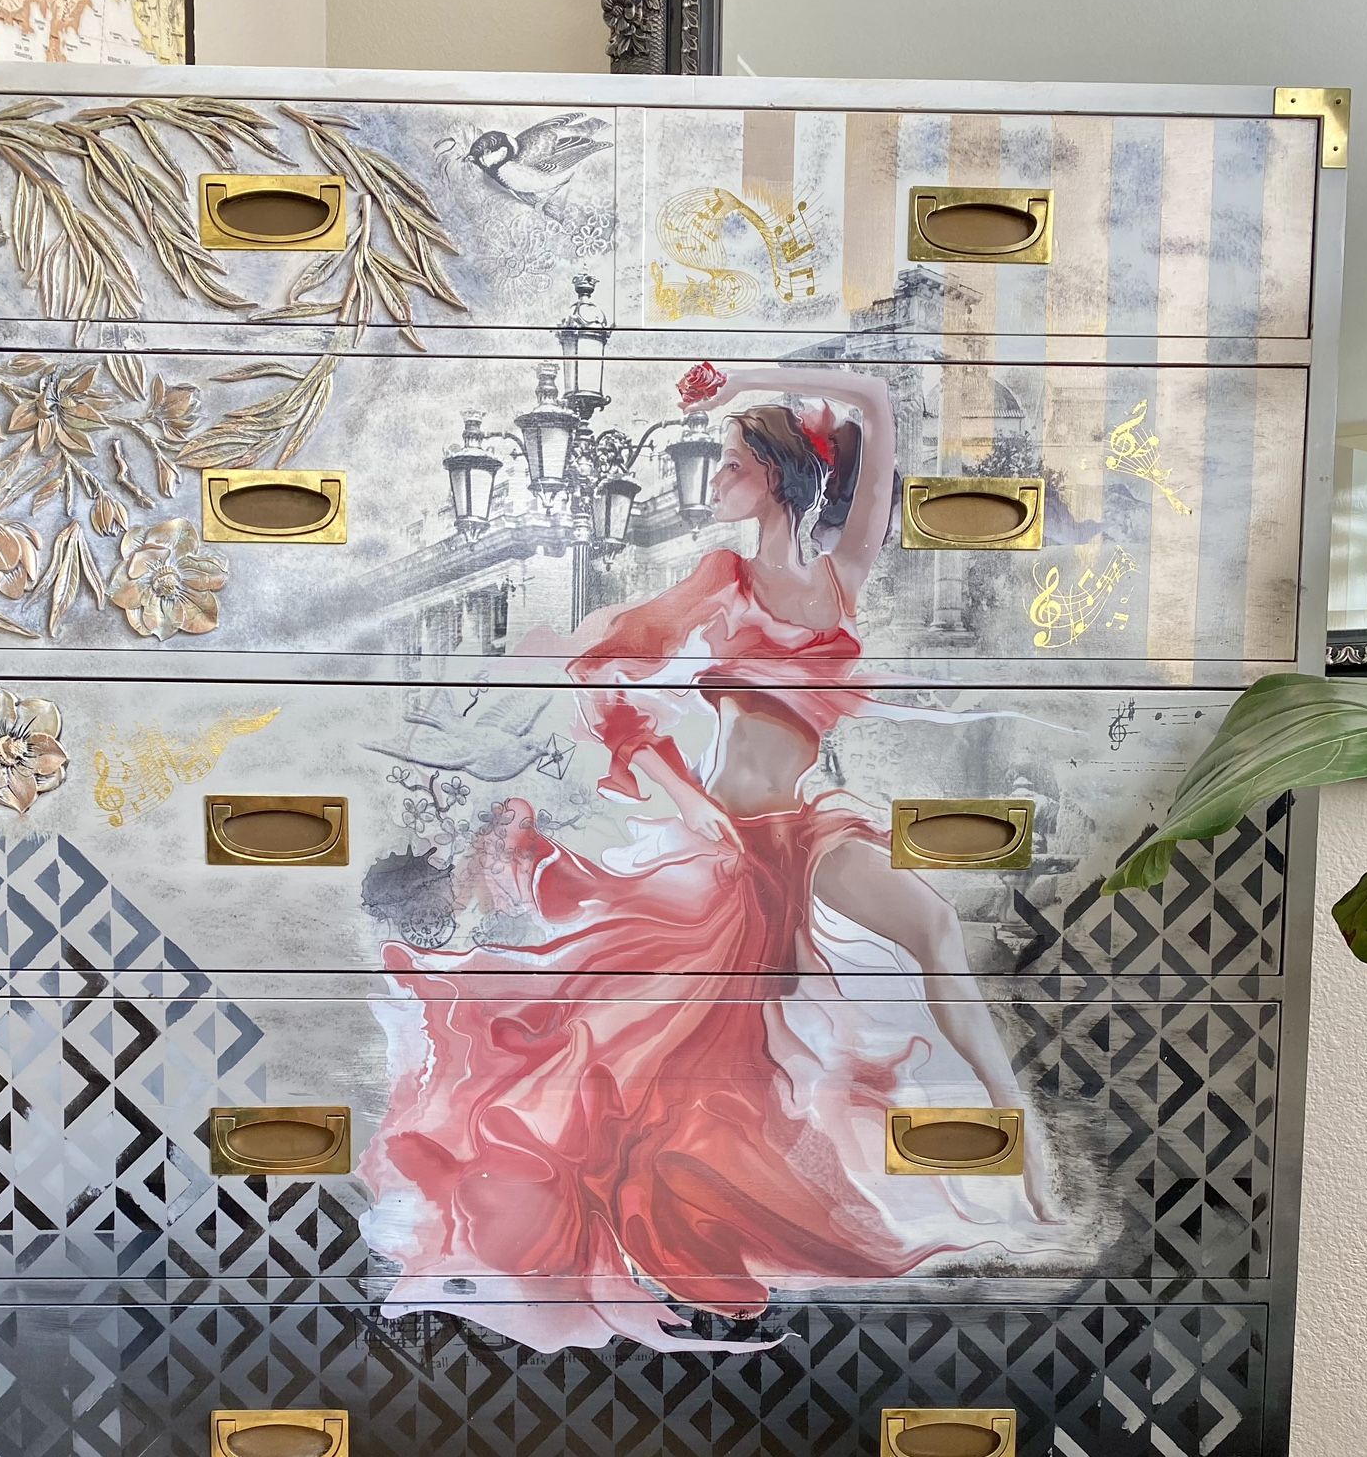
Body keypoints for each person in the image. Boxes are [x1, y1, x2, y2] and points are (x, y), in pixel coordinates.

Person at [357, 361, 1063, 1353]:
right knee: (687, 1057)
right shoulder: (722, 579)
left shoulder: (842, 573)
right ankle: (660, 1244)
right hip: (730, 846)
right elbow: (610, 662)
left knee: (933, 925)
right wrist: (661, 766)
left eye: (731, 461)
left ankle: (1015, 1131)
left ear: (776, 474)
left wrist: (744, 379)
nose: (716, 477)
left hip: (803, 826)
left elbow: (870, 401)